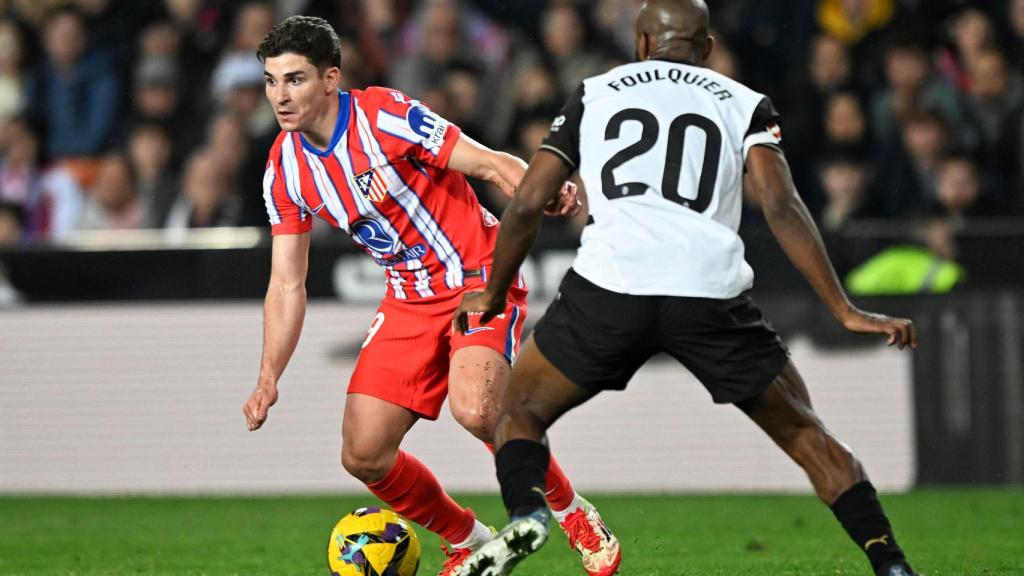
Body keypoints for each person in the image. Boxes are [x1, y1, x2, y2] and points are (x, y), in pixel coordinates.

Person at [454, 2, 920, 576]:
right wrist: (843, 308)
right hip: (708, 290)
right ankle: (891, 564)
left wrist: (494, 293)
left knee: (518, 412)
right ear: (706, 48)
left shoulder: (596, 92)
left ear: (642, 42)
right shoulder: (743, 102)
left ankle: (528, 513)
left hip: (612, 284)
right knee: (807, 435)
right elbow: (780, 204)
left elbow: (527, 202)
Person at [239, 16, 621, 576]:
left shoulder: (384, 116)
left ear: (329, 80)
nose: (280, 96)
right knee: (363, 453)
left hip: (476, 275)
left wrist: (543, 190)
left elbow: (487, 161)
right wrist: (269, 375)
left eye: (294, 79)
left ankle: (569, 510)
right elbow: (286, 283)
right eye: (271, 82)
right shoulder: (284, 169)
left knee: (478, 409)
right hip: (407, 300)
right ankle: (469, 539)